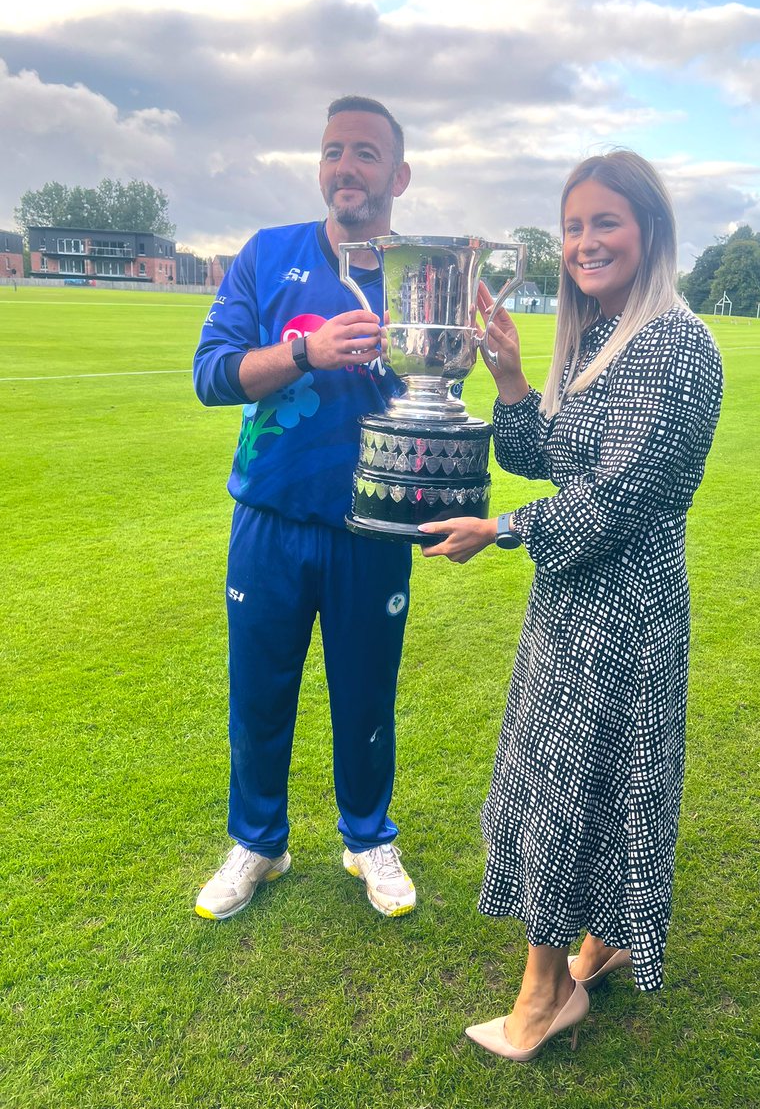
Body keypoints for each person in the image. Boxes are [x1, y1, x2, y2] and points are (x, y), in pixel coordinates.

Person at [420, 150, 723, 1060]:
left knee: (573, 784)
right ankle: (603, 941)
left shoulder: (676, 344)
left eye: (605, 222)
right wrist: (513, 379)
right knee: (577, 779)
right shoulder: (598, 335)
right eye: (573, 226)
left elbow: (620, 496)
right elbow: (548, 457)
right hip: (570, 604)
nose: (585, 242)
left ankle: (545, 992)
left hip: (625, 614)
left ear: (649, 230)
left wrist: (501, 530)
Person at [192, 95, 418, 921]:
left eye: (364, 153)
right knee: (259, 692)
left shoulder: (420, 274)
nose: (344, 168)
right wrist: (304, 351)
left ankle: (368, 838)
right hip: (271, 518)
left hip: (371, 527)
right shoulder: (269, 252)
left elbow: (435, 391)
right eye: (332, 151)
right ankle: (259, 841)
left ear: (398, 175)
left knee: (366, 694)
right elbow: (211, 375)